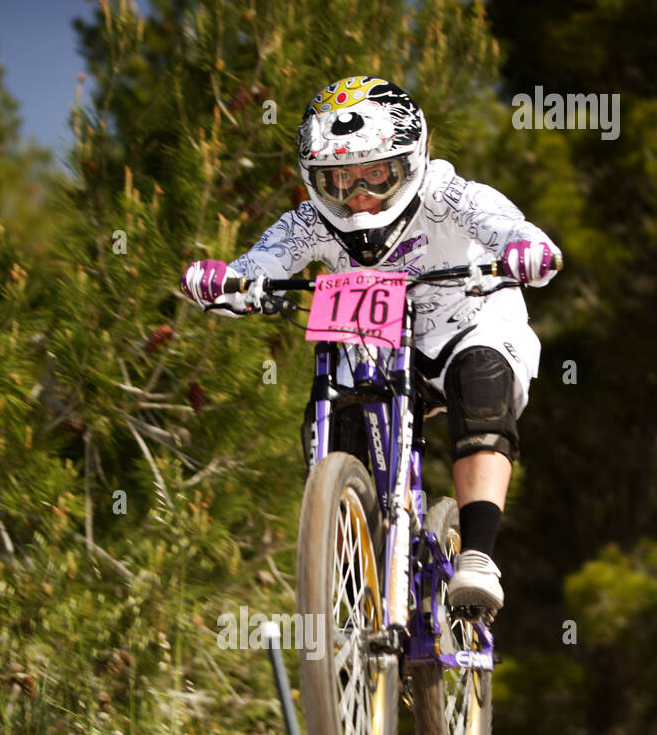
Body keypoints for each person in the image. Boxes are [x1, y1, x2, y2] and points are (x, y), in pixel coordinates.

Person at [181, 75, 562, 613]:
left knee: (480, 381)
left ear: (410, 161)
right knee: (334, 416)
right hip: (376, 341)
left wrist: (526, 249)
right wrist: (229, 282)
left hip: (469, 323)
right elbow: (260, 265)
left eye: (376, 174)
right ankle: (353, 576)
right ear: (316, 181)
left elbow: (506, 225)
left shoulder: (448, 195)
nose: (358, 195)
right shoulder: (312, 221)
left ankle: (477, 555)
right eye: (338, 179)